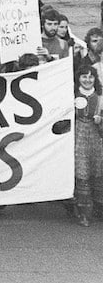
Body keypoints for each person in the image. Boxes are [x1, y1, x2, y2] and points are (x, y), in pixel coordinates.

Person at [73, 65, 103, 227]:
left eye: (91, 77)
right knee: (81, 172)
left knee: (98, 171)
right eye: (84, 76)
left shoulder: (100, 96)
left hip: (97, 138)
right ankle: (84, 213)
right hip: (78, 137)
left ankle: (99, 209)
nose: (87, 80)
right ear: (78, 78)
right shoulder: (70, 94)